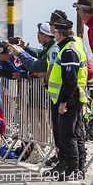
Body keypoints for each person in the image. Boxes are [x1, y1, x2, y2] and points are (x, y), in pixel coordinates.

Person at [44, 19, 88, 180]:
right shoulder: (72, 46)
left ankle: (73, 168)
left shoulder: (68, 50)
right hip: (71, 97)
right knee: (71, 133)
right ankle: (70, 165)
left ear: (59, 34)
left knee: (67, 135)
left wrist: (64, 102)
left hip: (69, 98)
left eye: (54, 32)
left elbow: (70, 80)